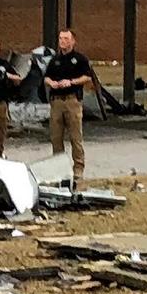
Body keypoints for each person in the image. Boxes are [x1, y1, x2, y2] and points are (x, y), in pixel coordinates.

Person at [42, 26, 95, 181]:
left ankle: (78, 168)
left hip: (72, 100)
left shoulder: (80, 59)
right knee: (56, 137)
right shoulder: (55, 60)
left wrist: (71, 82)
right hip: (56, 102)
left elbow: (87, 78)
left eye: (66, 39)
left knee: (75, 137)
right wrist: (51, 82)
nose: (63, 41)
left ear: (73, 41)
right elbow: (46, 77)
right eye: (60, 39)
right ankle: (59, 169)